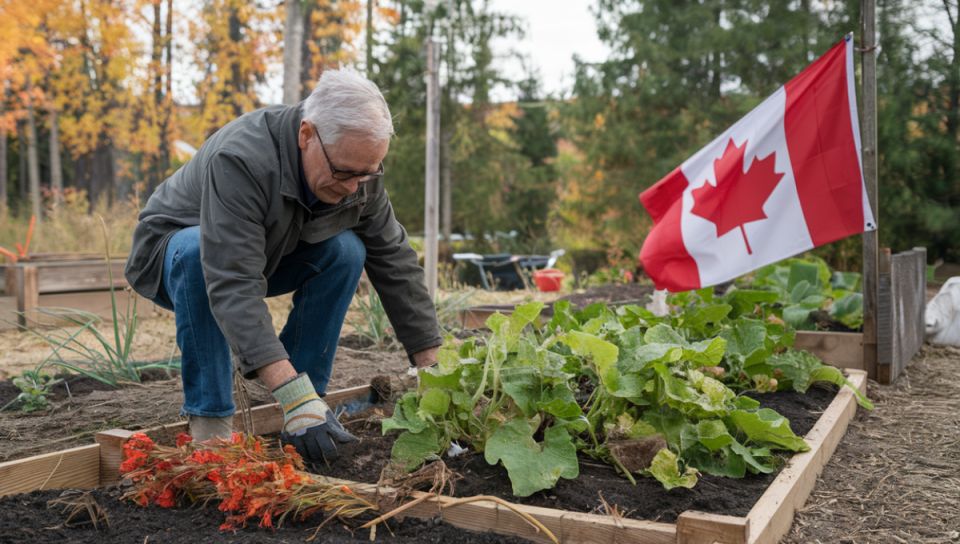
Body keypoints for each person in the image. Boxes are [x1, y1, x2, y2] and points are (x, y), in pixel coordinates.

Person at [125, 69, 441, 464]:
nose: (353, 186)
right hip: (175, 256)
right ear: (306, 136)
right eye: (345, 172)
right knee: (196, 249)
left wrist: (433, 369)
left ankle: (305, 406)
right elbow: (231, 280)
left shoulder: (358, 170)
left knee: (346, 251)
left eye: (369, 172)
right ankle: (211, 426)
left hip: (268, 252)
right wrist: (285, 389)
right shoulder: (241, 159)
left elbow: (394, 261)